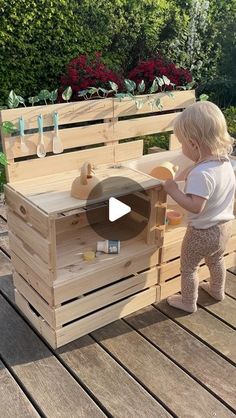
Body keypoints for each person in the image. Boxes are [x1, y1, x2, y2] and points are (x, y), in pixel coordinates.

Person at [164, 101, 235, 313]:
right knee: (216, 260)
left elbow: (196, 207)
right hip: (223, 230)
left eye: (182, 144)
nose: (181, 149)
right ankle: (217, 290)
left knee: (188, 268)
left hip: (201, 233)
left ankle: (188, 302)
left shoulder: (201, 174)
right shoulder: (224, 163)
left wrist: (173, 190)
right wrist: (188, 171)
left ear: (194, 144)